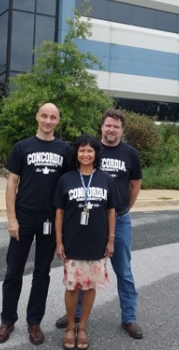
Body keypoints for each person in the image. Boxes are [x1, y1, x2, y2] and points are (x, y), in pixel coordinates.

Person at [55, 109, 143, 339]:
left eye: (116, 126)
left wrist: (123, 210)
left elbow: (135, 185)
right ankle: (74, 316)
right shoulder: (93, 150)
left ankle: (129, 318)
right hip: (86, 224)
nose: (111, 130)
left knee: (123, 270)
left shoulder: (130, 154)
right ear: (102, 128)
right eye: (108, 125)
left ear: (122, 130)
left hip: (118, 220)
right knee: (84, 266)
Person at [0, 102, 71, 346]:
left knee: (42, 272)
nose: (48, 121)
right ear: (37, 117)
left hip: (50, 221)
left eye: (53, 117)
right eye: (44, 116)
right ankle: (7, 320)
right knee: (13, 271)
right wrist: (11, 218)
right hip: (24, 218)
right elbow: (11, 183)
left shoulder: (65, 150)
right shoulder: (22, 147)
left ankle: (34, 322)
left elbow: (69, 185)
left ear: (58, 121)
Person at [53, 134, 116, 350]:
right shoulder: (67, 178)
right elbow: (59, 213)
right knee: (72, 287)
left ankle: (83, 328)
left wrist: (111, 241)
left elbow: (111, 212)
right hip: (72, 242)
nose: (86, 154)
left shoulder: (106, 179)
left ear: (96, 154)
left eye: (90, 150)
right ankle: (70, 327)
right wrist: (59, 242)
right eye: (82, 150)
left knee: (90, 287)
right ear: (76, 153)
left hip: (97, 243)